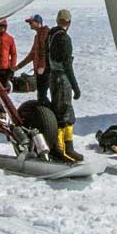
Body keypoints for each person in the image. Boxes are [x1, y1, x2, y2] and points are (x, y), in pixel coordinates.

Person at [45, 9, 82, 163]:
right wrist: (75, 86)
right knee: (64, 113)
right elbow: (67, 65)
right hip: (62, 78)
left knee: (59, 109)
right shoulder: (64, 39)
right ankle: (62, 149)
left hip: (53, 77)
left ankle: (65, 147)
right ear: (69, 22)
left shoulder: (50, 35)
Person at [27, 13, 52, 103]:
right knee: (41, 95)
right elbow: (32, 54)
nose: (29, 24)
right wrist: (18, 66)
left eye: (31, 22)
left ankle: (49, 115)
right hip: (40, 70)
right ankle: (46, 114)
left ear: (38, 22)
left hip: (45, 70)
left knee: (42, 95)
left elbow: (44, 51)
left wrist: (42, 66)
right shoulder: (37, 36)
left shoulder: (44, 33)